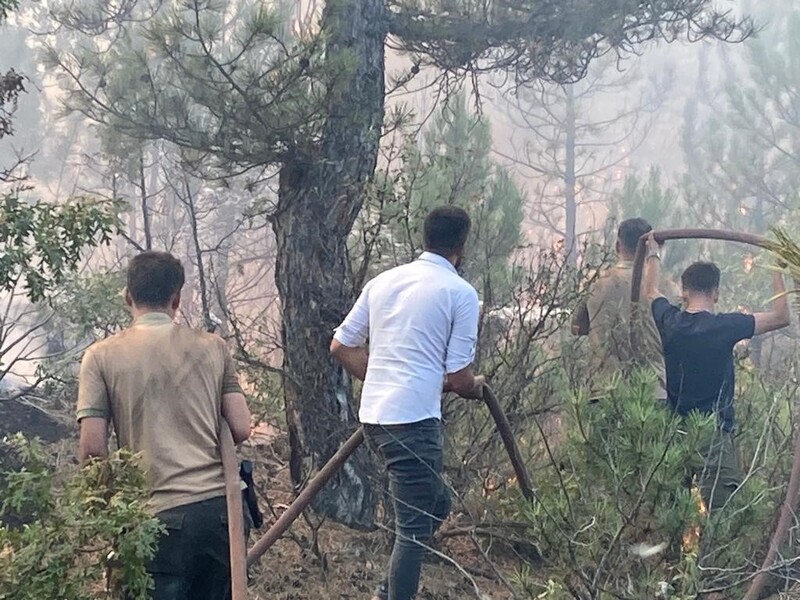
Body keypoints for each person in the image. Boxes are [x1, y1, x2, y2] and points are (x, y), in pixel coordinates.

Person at [77, 251, 252, 600]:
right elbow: (242, 426)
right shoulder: (213, 347)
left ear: (128, 296)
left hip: (154, 521)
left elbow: (93, 448)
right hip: (220, 516)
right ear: (176, 298)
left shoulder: (100, 356)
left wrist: (108, 510)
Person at [330, 206, 484, 600]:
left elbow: (341, 345)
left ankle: (388, 589)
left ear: (426, 238)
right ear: (461, 246)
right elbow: (461, 377)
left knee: (435, 502)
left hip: (376, 417)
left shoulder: (384, 281)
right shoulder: (460, 293)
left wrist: (383, 378)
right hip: (414, 420)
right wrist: (474, 387)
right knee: (414, 530)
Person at [643, 234, 790, 511]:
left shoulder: (670, 321)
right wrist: (777, 270)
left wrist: (653, 252)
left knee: (669, 516)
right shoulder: (725, 326)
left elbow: (651, 291)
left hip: (675, 432)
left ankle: (669, 555)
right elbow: (782, 317)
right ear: (716, 293)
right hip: (714, 436)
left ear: (684, 292)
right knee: (724, 517)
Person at [571, 218, 670, 402]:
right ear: (650, 248)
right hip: (652, 390)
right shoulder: (665, 286)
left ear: (618, 246)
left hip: (605, 390)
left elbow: (576, 327)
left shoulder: (594, 282)